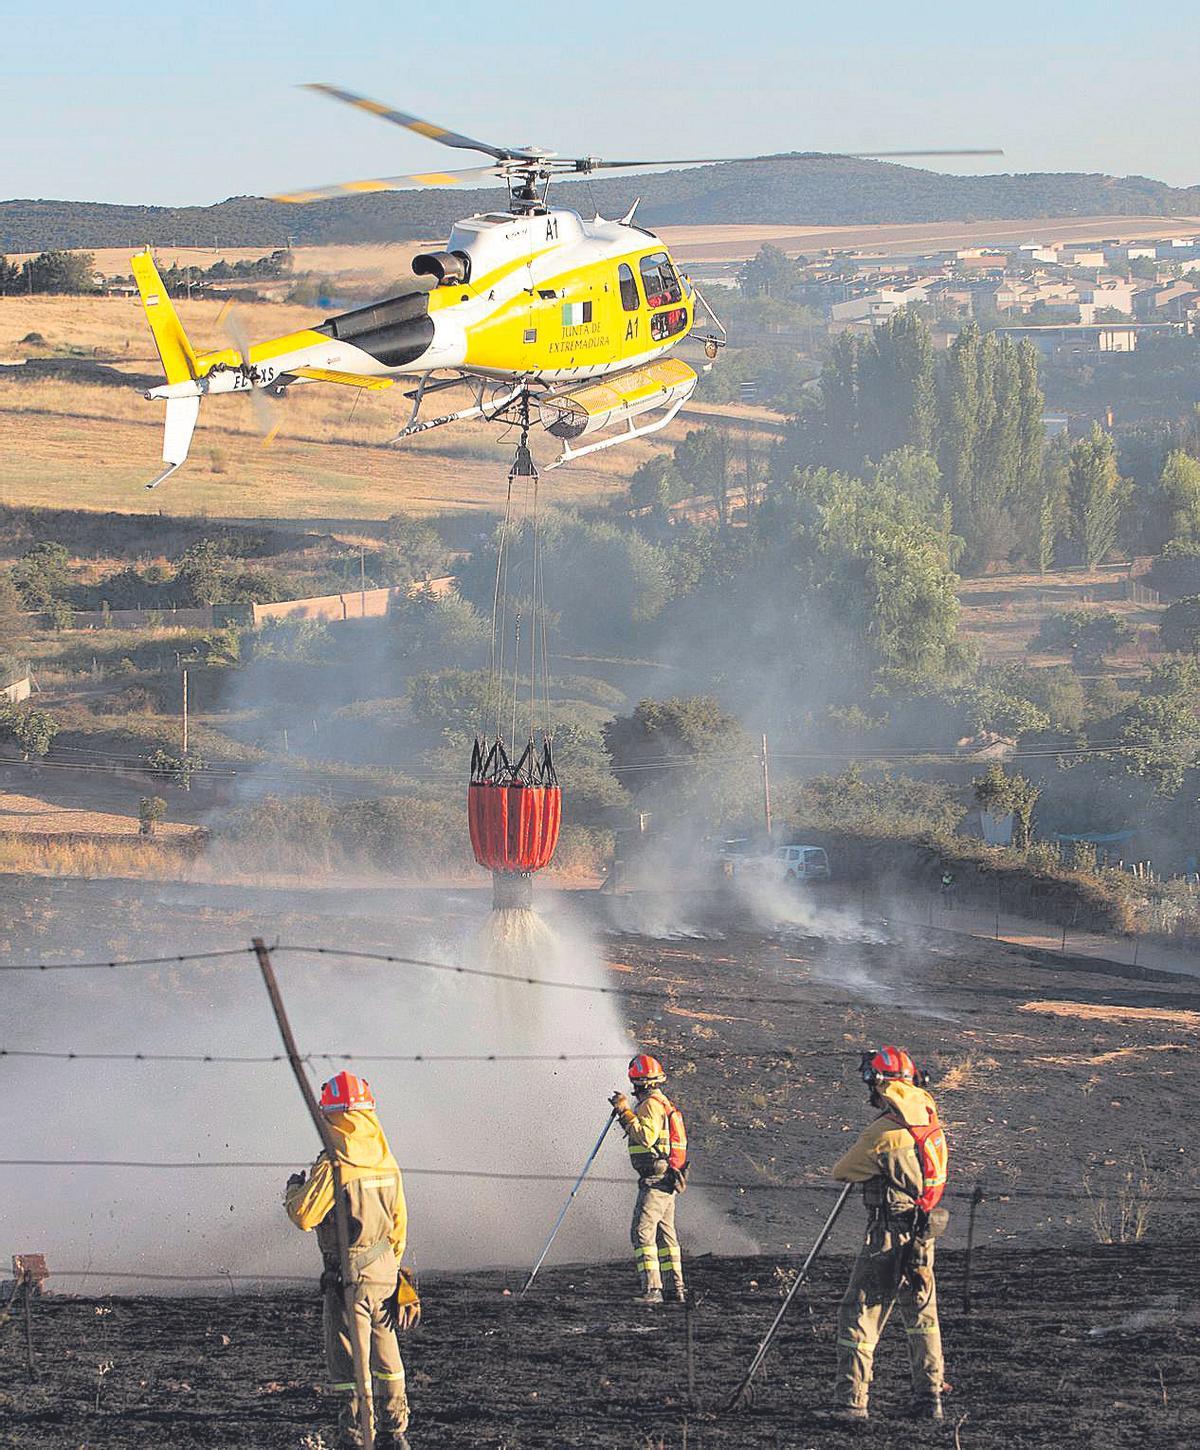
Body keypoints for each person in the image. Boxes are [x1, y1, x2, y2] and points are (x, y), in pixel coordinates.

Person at [284, 1071, 419, 1450]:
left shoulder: (337, 1164)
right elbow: (399, 1227)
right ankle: (396, 1430)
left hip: (349, 1279)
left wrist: (295, 1188)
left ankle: (357, 1437)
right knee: (387, 1353)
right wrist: (397, 1276)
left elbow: (303, 1216)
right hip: (384, 1273)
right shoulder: (385, 1160)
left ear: (333, 1116)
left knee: (349, 1364)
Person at [828, 1046, 949, 1424]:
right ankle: (930, 1398)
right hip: (922, 1232)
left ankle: (852, 1402)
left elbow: (843, 1171)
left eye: (872, 1079)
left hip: (887, 1233)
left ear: (882, 1084)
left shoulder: (882, 1133)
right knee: (921, 1314)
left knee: (860, 1311)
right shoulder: (929, 1117)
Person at [610, 1053, 688, 1305]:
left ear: (638, 1082)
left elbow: (645, 1136)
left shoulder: (651, 1105)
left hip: (656, 1180)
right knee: (666, 1236)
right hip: (667, 1178)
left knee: (642, 1233)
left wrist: (623, 1112)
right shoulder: (662, 1103)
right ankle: (677, 1288)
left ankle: (652, 1290)